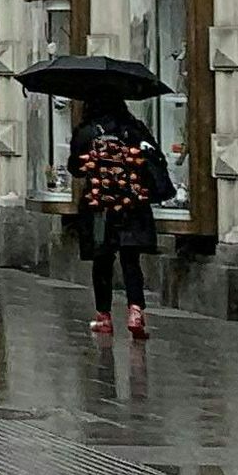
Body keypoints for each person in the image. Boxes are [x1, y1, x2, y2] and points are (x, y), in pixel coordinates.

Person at [70, 102, 171, 337]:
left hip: (99, 205)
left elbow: (75, 168)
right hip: (131, 203)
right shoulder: (134, 129)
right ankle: (135, 311)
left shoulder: (87, 131)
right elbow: (155, 158)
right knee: (130, 259)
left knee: (102, 260)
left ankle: (103, 317)